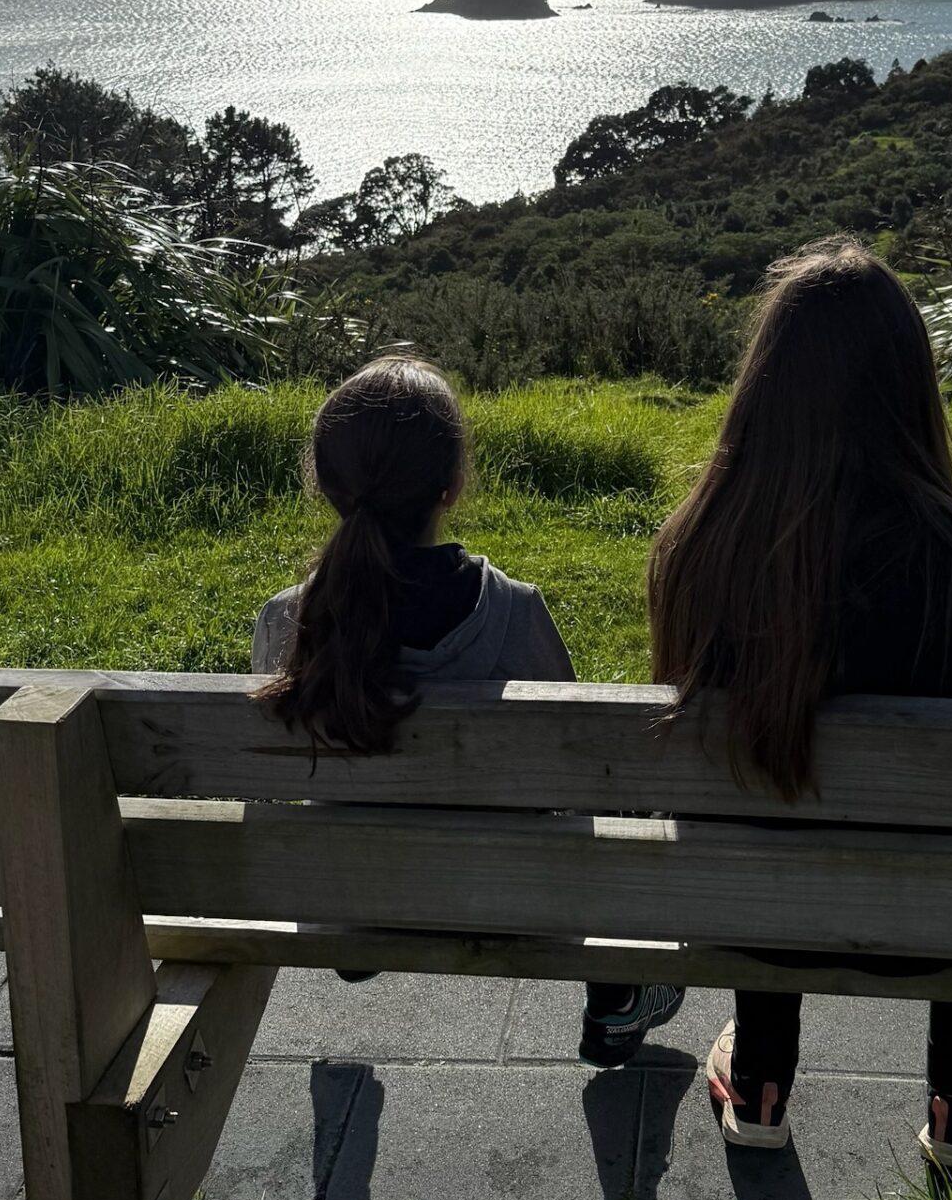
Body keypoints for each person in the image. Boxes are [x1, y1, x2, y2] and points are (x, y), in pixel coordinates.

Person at [622, 236, 952, 1177]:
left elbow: (703, 773)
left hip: (754, 914)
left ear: (763, 389)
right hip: (939, 926)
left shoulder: (699, 550)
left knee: (763, 791)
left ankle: (759, 1082)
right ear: (910, 388)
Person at [251, 351, 686, 1054]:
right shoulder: (514, 614)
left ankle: (362, 941)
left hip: (346, 895)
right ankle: (617, 997)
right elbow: (583, 776)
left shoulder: (285, 624)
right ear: (452, 484)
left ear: (326, 486)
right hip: (510, 899)